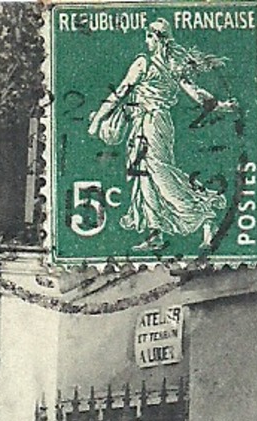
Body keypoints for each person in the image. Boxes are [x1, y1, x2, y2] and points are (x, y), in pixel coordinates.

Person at [88, 18, 237, 252]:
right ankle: (154, 232)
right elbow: (196, 93)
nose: (146, 41)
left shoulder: (143, 63)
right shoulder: (174, 66)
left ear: (158, 39)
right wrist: (219, 105)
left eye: (149, 36)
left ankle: (202, 213)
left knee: (157, 172)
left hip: (151, 123)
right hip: (155, 123)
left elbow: (120, 92)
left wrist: (98, 119)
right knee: (143, 174)